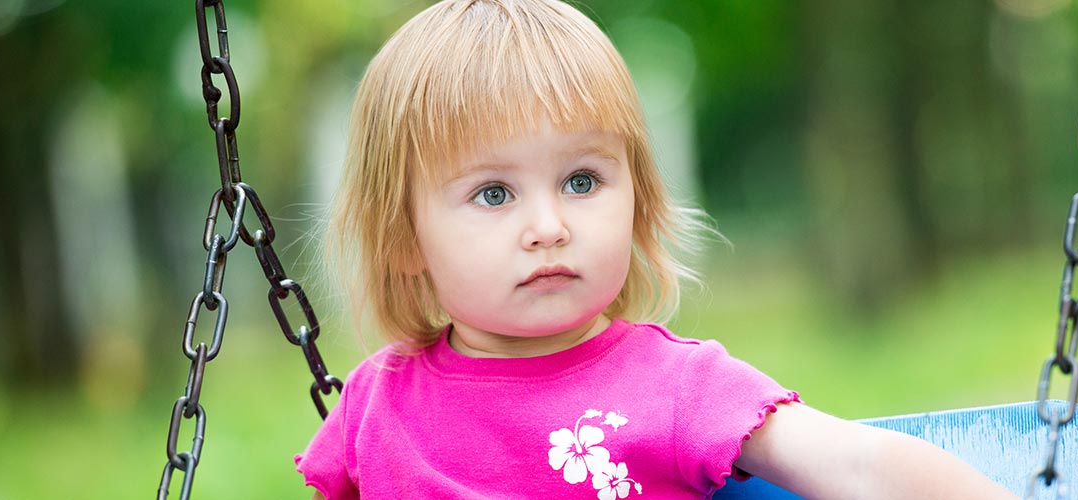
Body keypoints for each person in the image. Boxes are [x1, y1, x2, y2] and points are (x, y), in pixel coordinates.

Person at [296, 0, 1019, 498]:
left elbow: (859, 468)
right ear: (403, 240)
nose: (548, 225)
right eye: (493, 194)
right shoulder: (376, 404)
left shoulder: (675, 385)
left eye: (582, 180)